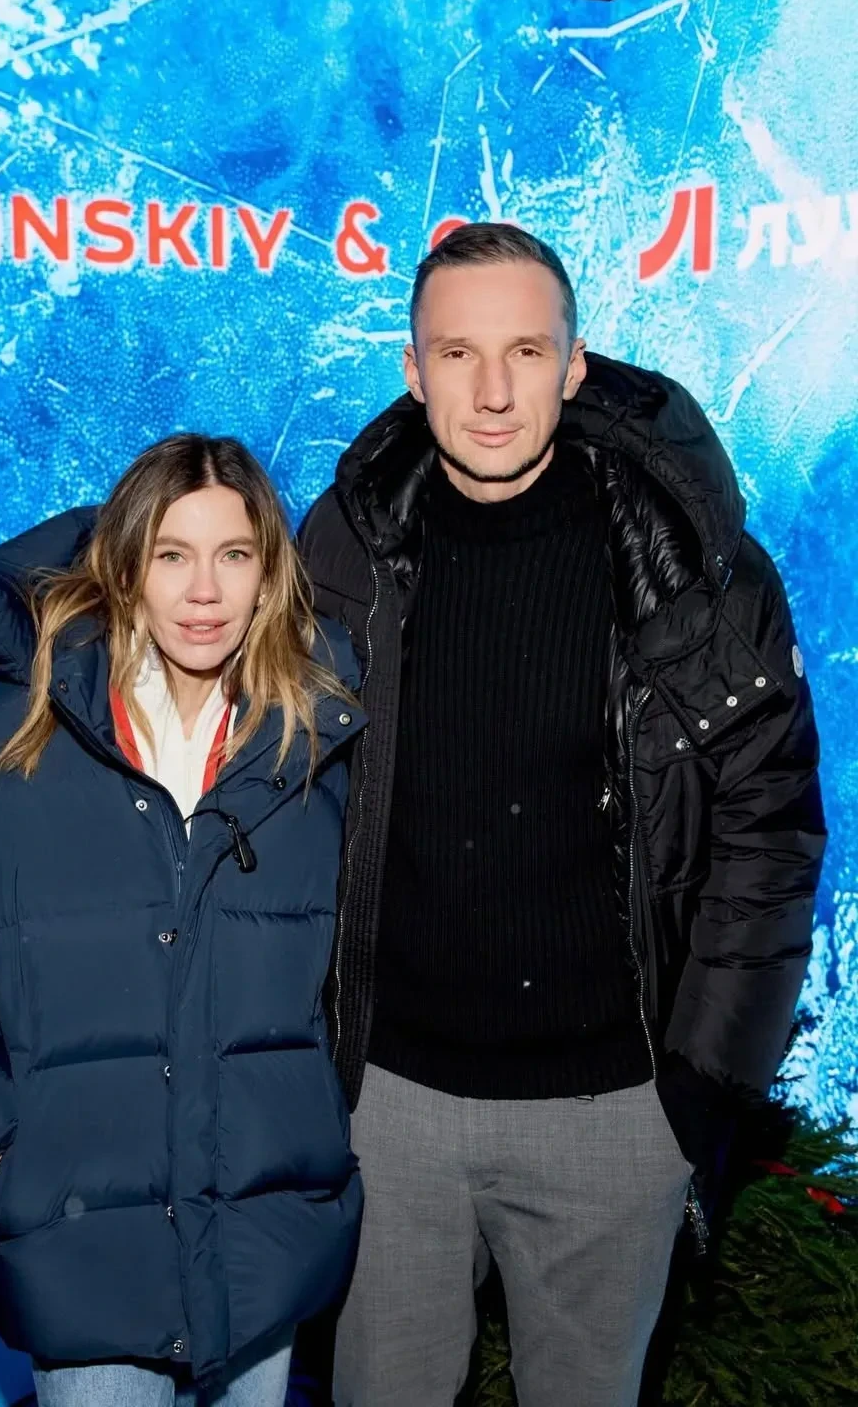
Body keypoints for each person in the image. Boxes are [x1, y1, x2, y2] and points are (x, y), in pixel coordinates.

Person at [297, 223, 826, 1407]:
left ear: (574, 367)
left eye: (526, 351)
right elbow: (283, 793)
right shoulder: (342, 544)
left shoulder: (697, 569)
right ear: (413, 369)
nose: (492, 392)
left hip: (613, 1115)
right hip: (387, 1109)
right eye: (458, 354)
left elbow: (771, 837)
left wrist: (693, 1095)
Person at [0, 434, 364, 1407]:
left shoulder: (313, 746)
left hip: (262, 1244)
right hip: (83, 1251)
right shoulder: (3, 747)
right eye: (172, 555)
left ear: (269, 576)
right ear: (125, 568)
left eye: (233, 554)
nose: (204, 590)